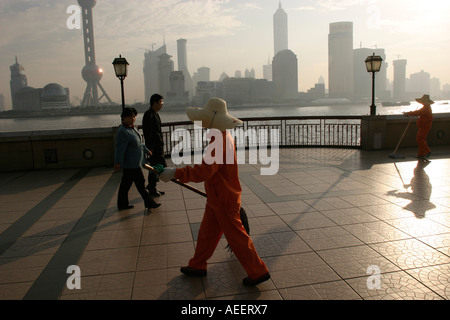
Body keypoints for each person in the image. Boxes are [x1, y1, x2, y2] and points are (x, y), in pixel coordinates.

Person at [158, 98, 270, 286]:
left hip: (224, 198)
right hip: (217, 196)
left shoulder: (219, 140)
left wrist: (176, 173)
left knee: (237, 238)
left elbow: (205, 171)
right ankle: (198, 264)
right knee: (207, 234)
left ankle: (258, 271)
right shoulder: (222, 135)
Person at [114, 107, 160, 212]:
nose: (133, 118)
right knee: (140, 183)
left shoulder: (132, 129)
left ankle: (122, 204)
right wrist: (117, 162)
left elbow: (140, 143)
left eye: (134, 116)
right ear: (124, 118)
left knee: (125, 185)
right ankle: (149, 203)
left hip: (136, 163)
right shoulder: (123, 131)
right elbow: (119, 148)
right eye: (130, 116)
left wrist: (147, 150)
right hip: (131, 164)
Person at [142, 94, 167, 197]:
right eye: (161, 102)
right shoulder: (149, 115)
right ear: (155, 103)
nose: (162, 105)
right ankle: (152, 188)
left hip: (158, 146)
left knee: (155, 167)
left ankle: (152, 186)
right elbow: (148, 132)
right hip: (154, 147)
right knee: (156, 167)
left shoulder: (155, 114)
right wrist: (150, 147)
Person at [403, 94, 434, 159]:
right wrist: (409, 113)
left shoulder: (426, 109)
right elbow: (418, 112)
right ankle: (421, 154)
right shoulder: (426, 108)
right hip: (424, 125)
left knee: (420, 139)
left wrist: (408, 113)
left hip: (425, 126)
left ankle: (427, 151)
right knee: (421, 139)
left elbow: (418, 112)